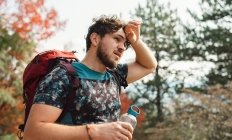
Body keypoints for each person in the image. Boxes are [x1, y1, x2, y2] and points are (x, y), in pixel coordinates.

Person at [23, 15, 157, 140]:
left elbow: (149, 66)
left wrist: (136, 41)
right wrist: (93, 131)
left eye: (126, 44)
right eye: (117, 39)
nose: (122, 47)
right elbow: (32, 132)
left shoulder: (114, 74)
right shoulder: (63, 76)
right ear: (95, 39)